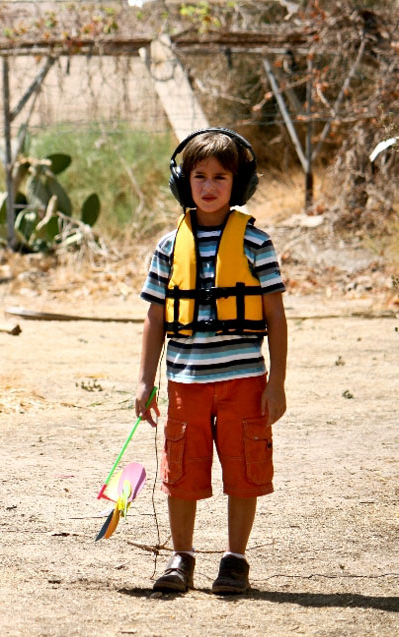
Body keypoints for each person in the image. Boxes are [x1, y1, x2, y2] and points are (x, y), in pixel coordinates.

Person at [136, 128, 287, 595]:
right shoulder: (167, 246)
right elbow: (155, 316)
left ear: (238, 185)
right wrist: (145, 381)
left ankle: (235, 559)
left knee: (244, 471)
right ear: (183, 182)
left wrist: (276, 383)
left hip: (244, 381)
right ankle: (182, 558)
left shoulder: (256, 243)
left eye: (221, 177)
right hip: (185, 382)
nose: (209, 186)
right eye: (199, 175)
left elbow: (277, 318)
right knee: (182, 472)